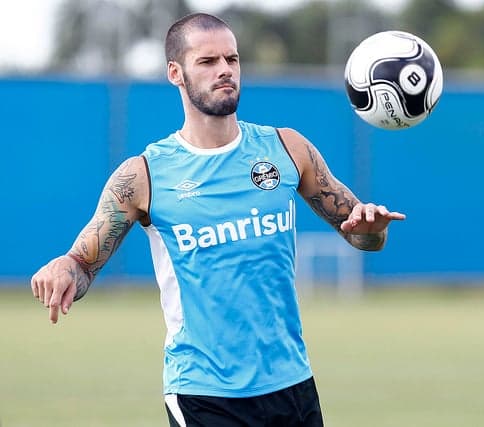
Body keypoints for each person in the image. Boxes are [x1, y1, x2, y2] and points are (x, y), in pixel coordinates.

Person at [31, 12, 405, 427]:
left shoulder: (288, 148)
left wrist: (373, 231)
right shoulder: (142, 176)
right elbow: (83, 263)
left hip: (292, 386)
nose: (225, 70)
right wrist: (66, 267)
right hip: (202, 394)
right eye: (208, 62)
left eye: (232, 59)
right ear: (176, 72)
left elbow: (360, 235)